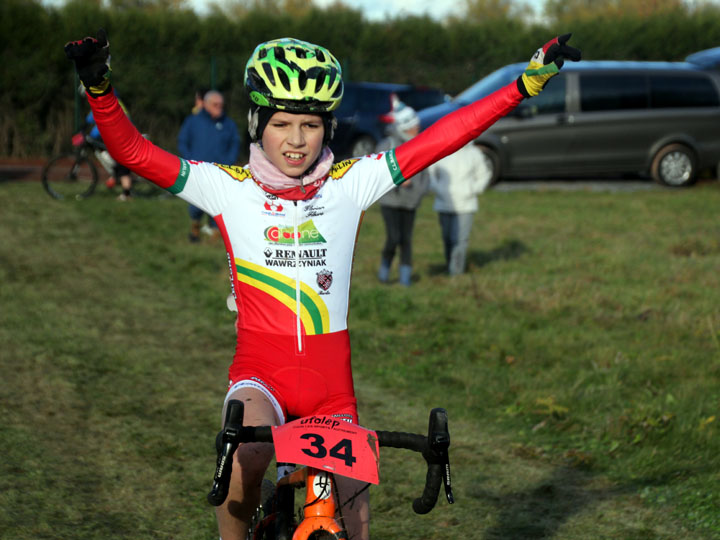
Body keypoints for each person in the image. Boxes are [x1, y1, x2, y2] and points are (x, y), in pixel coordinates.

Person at [64, 29, 580, 540]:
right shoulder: (224, 188)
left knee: (354, 525)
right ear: (256, 123)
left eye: (310, 124)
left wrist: (524, 85)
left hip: (331, 389)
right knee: (244, 463)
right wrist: (100, 88)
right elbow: (132, 152)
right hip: (260, 375)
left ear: (327, 127)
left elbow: (442, 137)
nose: (295, 139)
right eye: (282, 123)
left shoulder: (351, 184)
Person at [376, 96, 428, 286]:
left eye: (417, 127)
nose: (417, 130)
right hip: (391, 201)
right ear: (403, 127)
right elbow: (377, 173)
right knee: (393, 237)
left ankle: (405, 279)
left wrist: (418, 193)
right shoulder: (387, 145)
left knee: (406, 239)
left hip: (410, 202)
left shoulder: (420, 145)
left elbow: (425, 176)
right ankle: (384, 272)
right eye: (413, 128)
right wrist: (397, 181)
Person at [178, 89, 241, 242]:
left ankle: (215, 235)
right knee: (196, 203)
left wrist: (230, 161)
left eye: (221, 105)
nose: (219, 107)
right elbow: (182, 141)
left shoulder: (228, 124)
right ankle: (195, 229)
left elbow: (235, 143)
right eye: (215, 104)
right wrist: (189, 161)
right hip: (197, 171)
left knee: (218, 203)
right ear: (206, 104)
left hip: (221, 172)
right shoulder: (193, 122)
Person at [428, 142, 492, 275]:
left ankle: (456, 272)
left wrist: (472, 189)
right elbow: (430, 172)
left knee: (460, 239)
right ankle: (449, 264)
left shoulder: (474, 154)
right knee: (447, 238)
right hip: (444, 203)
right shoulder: (441, 151)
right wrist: (438, 188)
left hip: (466, 205)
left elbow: (484, 175)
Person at [83, 88, 134, 201]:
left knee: (121, 162)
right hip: (122, 133)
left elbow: (99, 122)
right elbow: (92, 118)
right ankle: (116, 178)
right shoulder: (112, 101)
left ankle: (127, 194)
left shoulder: (106, 104)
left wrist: (90, 135)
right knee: (112, 155)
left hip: (122, 135)